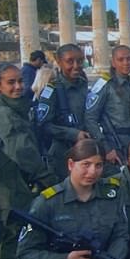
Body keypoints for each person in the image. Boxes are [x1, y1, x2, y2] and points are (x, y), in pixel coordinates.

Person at [0, 63, 56, 259]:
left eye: (19, 81)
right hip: (8, 187)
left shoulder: (17, 106)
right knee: (12, 236)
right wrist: (46, 176)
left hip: (20, 183)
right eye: (10, 83)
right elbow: (22, 150)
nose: (18, 87)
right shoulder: (1, 113)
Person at [36, 43, 90, 180]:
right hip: (62, 151)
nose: (76, 65)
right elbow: (43, 125)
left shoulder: (83, 85)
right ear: (59, 62)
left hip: (85, 149)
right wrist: (73, 134)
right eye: (70, 61)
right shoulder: (52, 90)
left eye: (79, 61)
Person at [86, 45, 130, 176]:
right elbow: (90, 118)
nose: (126, 63)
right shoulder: (104, 85)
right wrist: (106, 148)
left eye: (129, 59)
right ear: (113, 62)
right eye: (121, 59)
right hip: (115, 143)